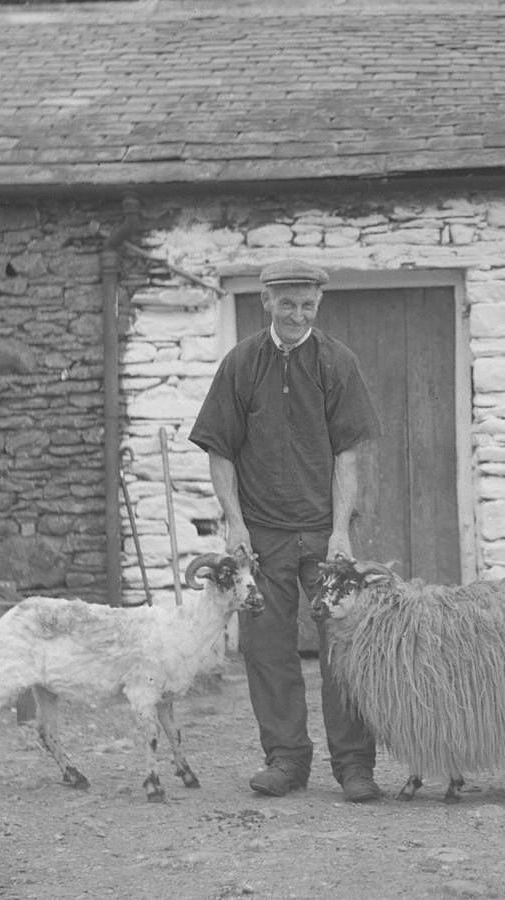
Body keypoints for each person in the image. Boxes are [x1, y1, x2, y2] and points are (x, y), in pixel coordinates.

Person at [190, 257, 383, 802]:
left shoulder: (336, 363)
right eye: (288, 303)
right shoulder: (241, 364)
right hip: (263, 535)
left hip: (324, 534)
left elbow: (348, 452)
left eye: (307, 305)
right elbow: (220, 453)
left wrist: (340, 531)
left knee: (343, 649)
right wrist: (235, 525)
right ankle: (286, 761)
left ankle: (354, 767)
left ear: (316, 307)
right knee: (265, 648)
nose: (297, 314)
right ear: (267, 302)